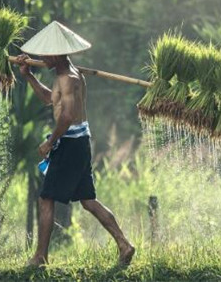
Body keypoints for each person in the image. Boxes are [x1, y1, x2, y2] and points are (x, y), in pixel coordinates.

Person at [15, 21, 135, 268]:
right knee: (88, 200)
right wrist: (28, 76)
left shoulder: (69, 78)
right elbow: (51, 99)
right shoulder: (68, 75)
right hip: (79, 142)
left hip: (70, 144)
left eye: (46, 53)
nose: (42, 57)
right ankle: (124, 244)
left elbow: (67, 117)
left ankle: (40, 257)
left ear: (57, 53)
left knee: (46, 198)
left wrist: (50, 142)